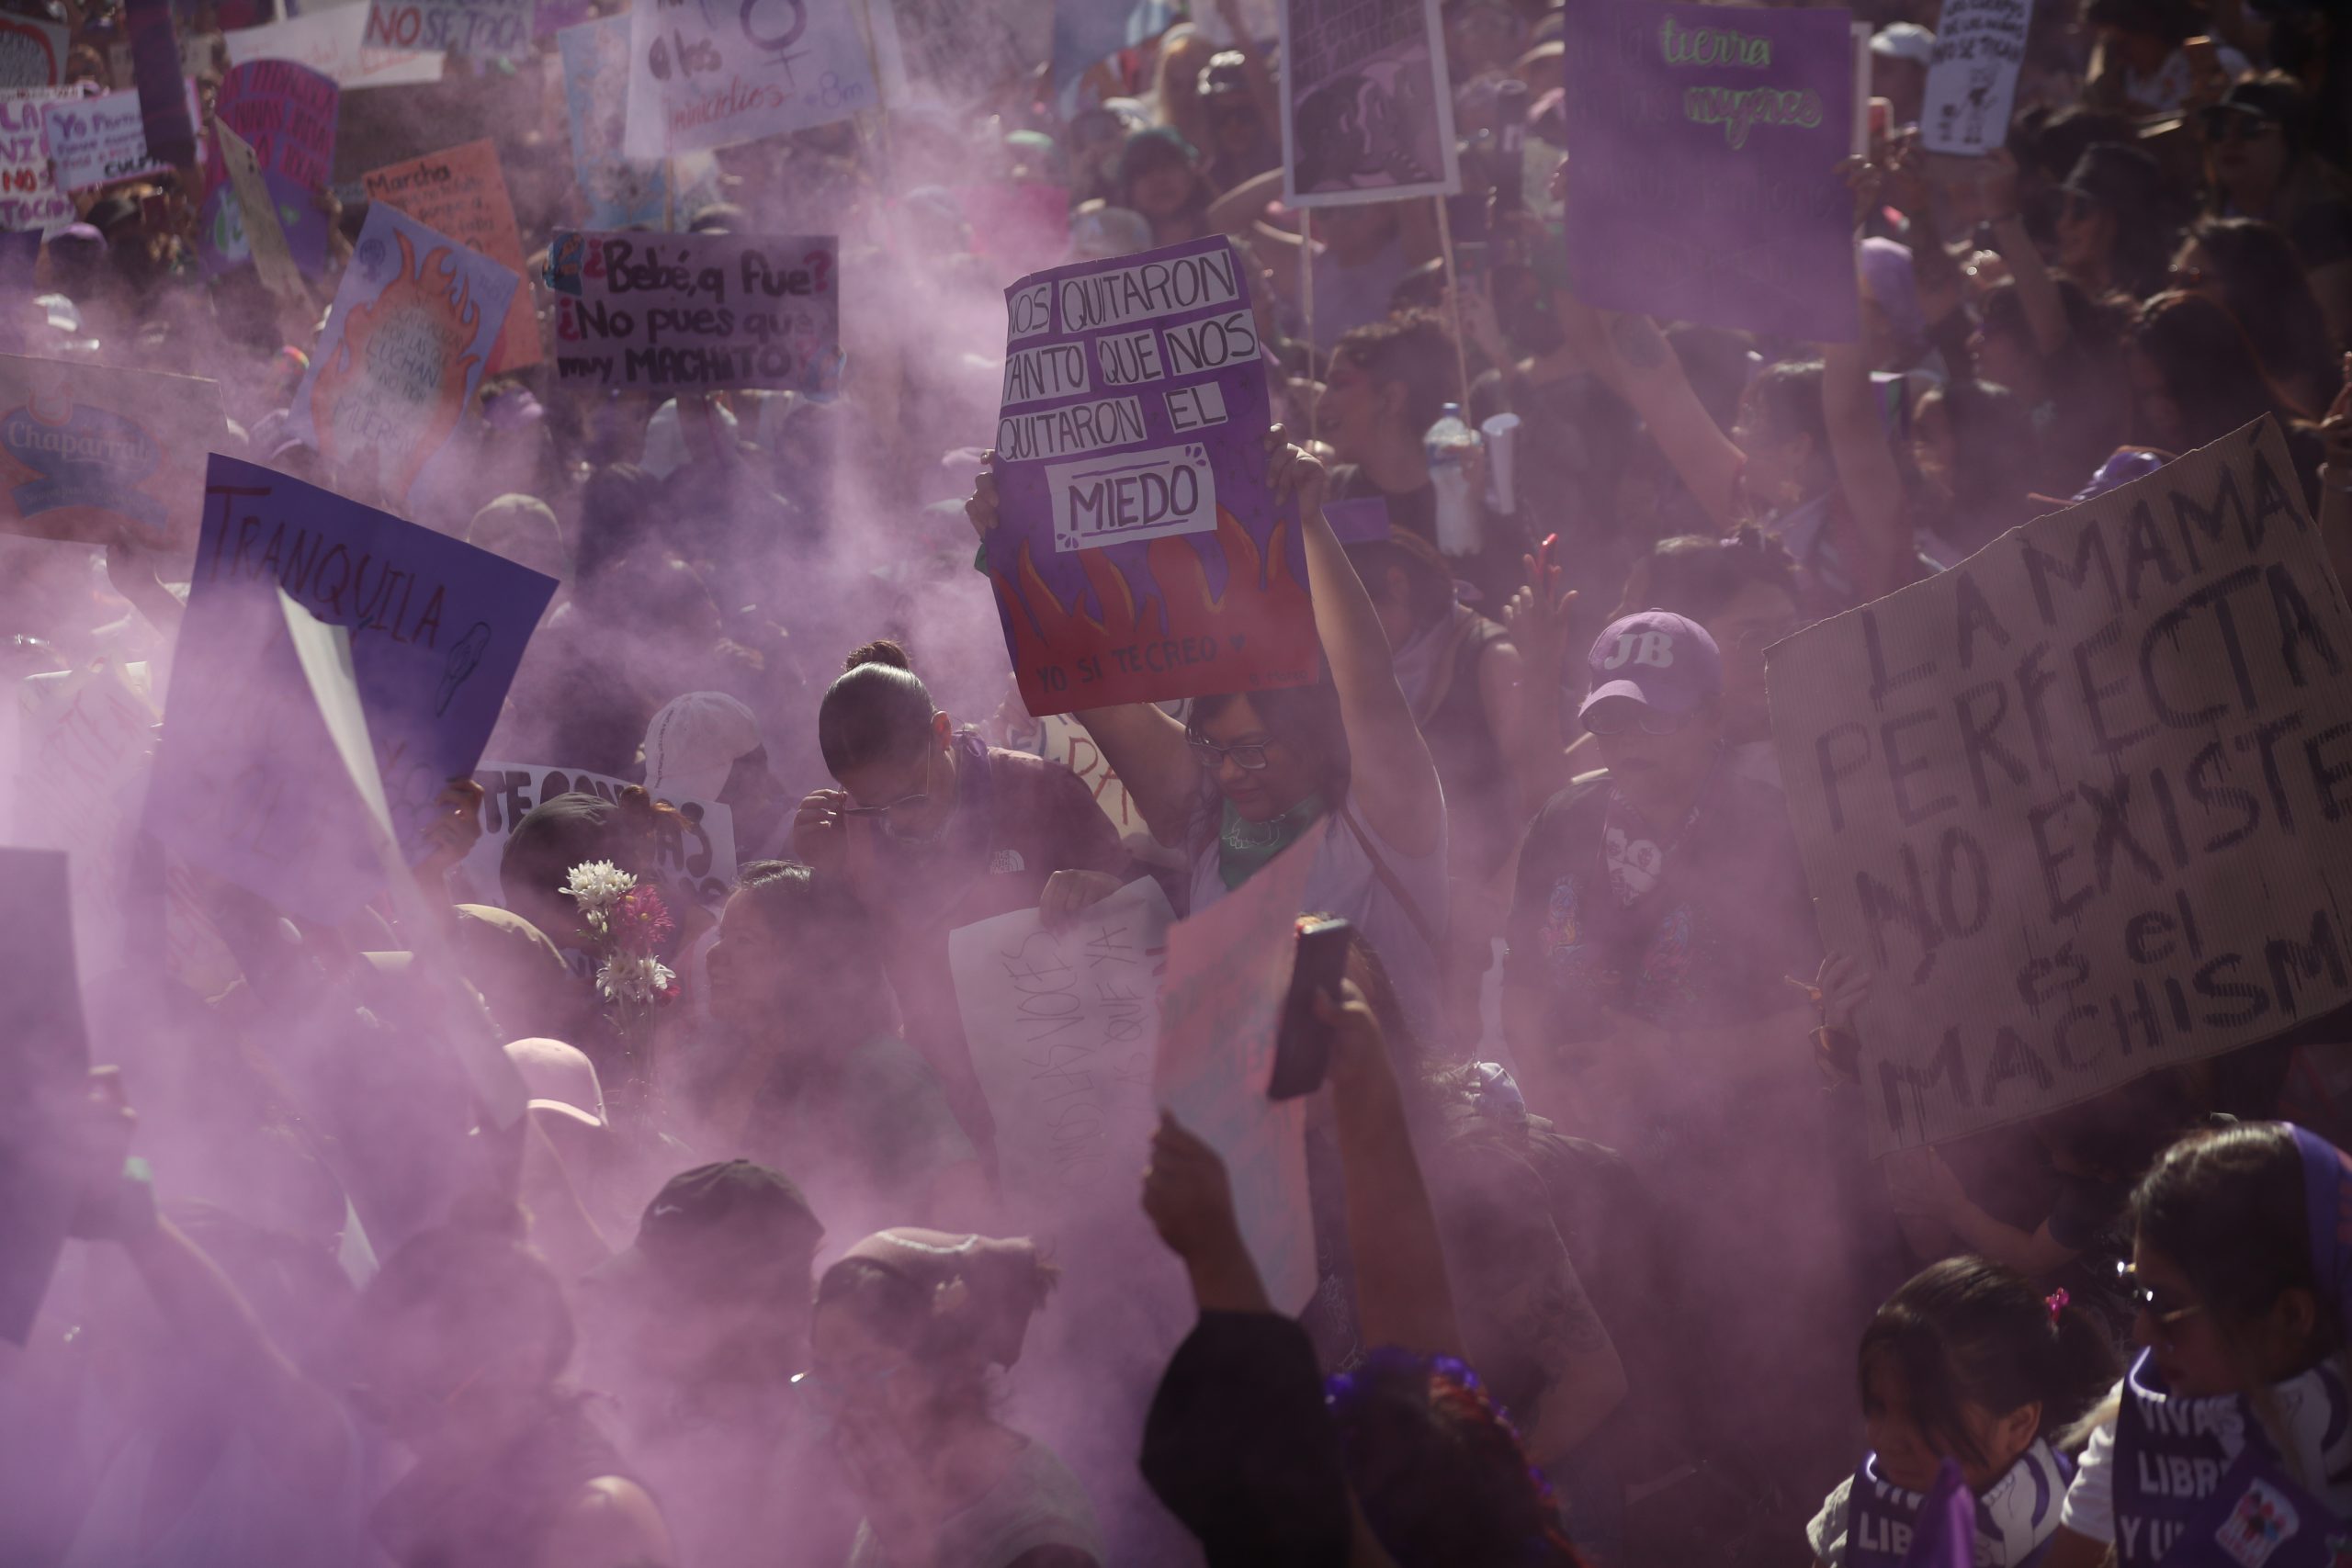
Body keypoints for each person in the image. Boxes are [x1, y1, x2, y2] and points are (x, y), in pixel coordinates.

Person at [969, 426, 1452, 1042]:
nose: (1226, 773)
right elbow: (1087, 684)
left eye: (1252, 750)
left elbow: (1370, 685)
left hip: (1385, 1128)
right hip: (1250, 1130)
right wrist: (1013, 548)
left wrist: (1310, 526)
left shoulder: (1384, 819)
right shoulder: (1212, 819)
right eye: (1213, 748)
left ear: (1317, 734)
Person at [788, 641, 1128, 1164]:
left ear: (941, 732)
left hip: (1074, 1077)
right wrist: (824, 880)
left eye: (909, 798)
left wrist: (1100, 888)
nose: (895, 820)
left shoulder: (1033, 789)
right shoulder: (847, 834)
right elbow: (840, 991)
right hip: (946, 1108)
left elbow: (1146, 914)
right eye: (870, 804)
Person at [2039, 1123, 2352, 1568]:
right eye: (2140, 1293)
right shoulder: (2140, 1414)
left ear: (2291, 1316)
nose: (2144, 1335)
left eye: (2168, 1304)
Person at [577, 1160, 857, 1568]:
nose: (636, 1316)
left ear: (758, 1306)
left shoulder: (834, 1439)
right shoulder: (655, 1387)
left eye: (663, 1300)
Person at [354, 1219, 676, 1568]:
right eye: (380, 1402)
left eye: (425, 1398)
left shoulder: (597, 1525)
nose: (398, 1427)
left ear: (525, 1367)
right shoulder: (451, 1489)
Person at [694, 860, 984, 1238]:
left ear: (808, 961)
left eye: (744, 940)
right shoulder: (748, 1065)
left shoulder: (879, 1068)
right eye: (721, 936)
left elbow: (966, 1216)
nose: (714, 956)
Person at [811, 1228, 1103, 1568]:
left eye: (866, 1370)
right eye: (826, 1376)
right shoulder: (902, 1480)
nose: (843, 1409)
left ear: (948, 1370)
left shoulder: (1043, 1540)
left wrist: (911, 1552)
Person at [1807, 1258, 2120, 1568]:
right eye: (1878, 1407)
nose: (1885, 1439)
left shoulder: (2081, 1535)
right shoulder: (1860, 1500)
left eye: (1923, 1416)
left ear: (2018, 1425)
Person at [1545, 529, 1804, 792]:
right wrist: (1540, 666)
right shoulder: (1656, 743)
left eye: (1789, 629)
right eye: (1751, 635)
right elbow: (1554, 799)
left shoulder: (1832, 732)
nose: (1776, 648)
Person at [2197, 76, 2352, 344]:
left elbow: (2326, 339)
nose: (2229, 141)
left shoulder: (2326, 227)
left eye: (2250, 127)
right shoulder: (2206, 225)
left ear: (2290, 144)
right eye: (2218, 129)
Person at [2169, 216, 2341, 413]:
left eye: (2192, 278)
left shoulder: (2293, 389)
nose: (2172, 293)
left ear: (2249, 288)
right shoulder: (2202, 374)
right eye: (2174, 275)